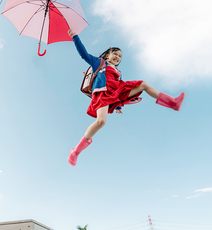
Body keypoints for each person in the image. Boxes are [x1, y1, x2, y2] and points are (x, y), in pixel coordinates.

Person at [67, 29, 185, 166]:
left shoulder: (118, 72)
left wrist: (118, 105)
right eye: (115, 54)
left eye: (120, 56)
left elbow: (119, 88)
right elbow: (83, 54)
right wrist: (75, 36)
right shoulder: (99, 63)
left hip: (118, 91)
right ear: (108, 54)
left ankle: (173, 103)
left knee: (143, 85)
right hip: (103, 93)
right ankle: (76, 151)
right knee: (101, 122)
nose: (118, 57)